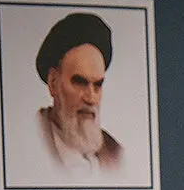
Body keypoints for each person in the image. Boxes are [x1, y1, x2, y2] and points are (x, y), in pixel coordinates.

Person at [34, 12, 122, 172]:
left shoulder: (115, 153)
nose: (91, 98)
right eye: (80, 83)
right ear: (53, 83)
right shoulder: (30, 144)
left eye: (98, 85)